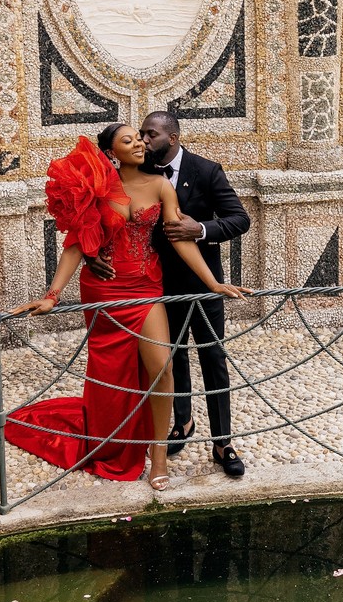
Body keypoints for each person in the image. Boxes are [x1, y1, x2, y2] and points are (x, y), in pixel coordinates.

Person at [9, 123, 244, 491]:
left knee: (162, 368)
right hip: (105, 289)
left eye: (139, 138)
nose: (138, 143)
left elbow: (179, 238)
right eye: (128, 140)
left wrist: (213, 283)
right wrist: (52, 294)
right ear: (110, 153)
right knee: (113, 373)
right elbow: (75, 244)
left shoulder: (161, 186)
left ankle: (159, 456)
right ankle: (114, 437)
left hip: (147, 286)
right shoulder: (98, 189)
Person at [86, 110, 251, 476]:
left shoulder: (206, 170)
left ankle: (222, 444)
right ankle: (182, 422)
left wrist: (202, 229)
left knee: (213, 360)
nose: (144, 141)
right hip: (155, 288)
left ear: (172, 137)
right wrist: (91, 255)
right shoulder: (137, 175)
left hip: (200, 283)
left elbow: (240, 219)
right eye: (139, 135)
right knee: (169, 361)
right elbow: (101, 222)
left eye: (150, 134)